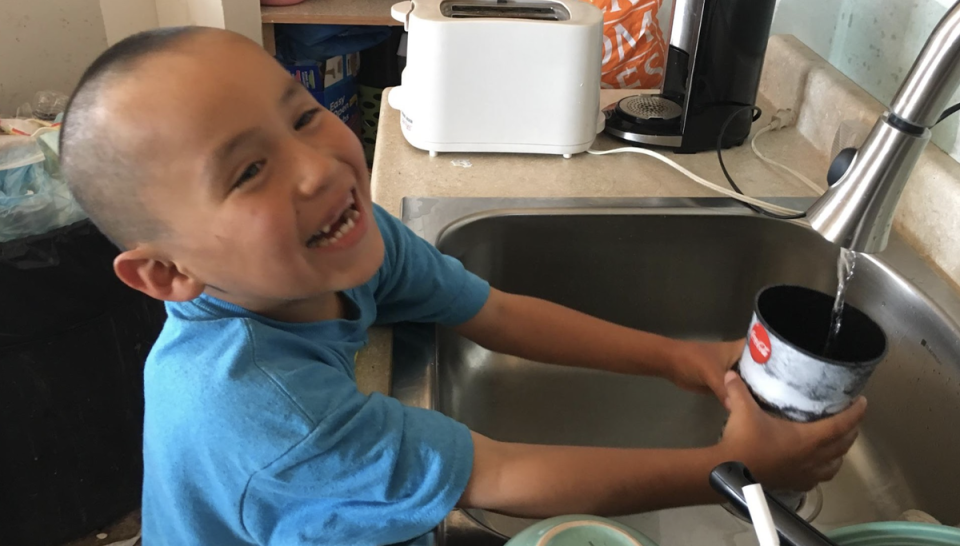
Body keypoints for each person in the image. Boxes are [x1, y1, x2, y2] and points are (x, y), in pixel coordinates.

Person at [59, 27, 866, 546]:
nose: (317, 169)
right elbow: (500, 475)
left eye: (302, 115)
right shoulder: (270, 415)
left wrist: (683, 359)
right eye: (247, 171)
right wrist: (730, 469)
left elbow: (496, 311)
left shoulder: (345, 244)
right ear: (169, 273)